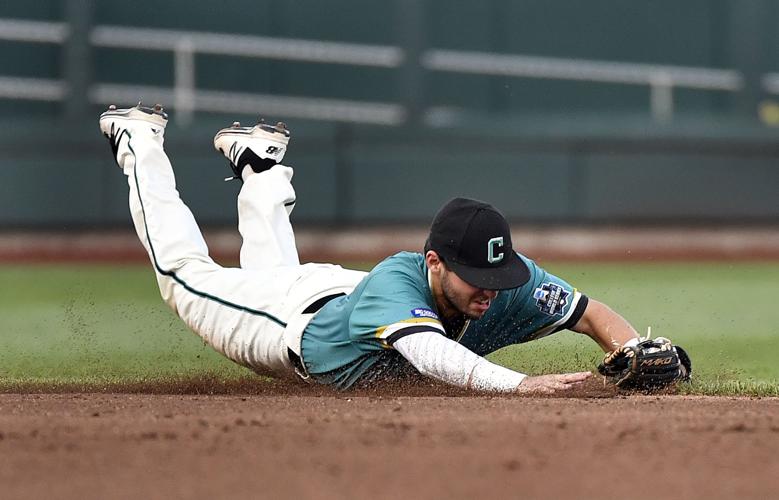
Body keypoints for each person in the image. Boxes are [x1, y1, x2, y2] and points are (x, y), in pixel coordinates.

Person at [98, 103, 667, 394]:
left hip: (341, 295)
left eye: (498, 276)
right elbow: (430, 354)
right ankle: (139, 141)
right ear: (434, 263)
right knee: (182, 274)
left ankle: (258, 164)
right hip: (284, 327)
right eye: (475, 276)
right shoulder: (400, 279)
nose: (491, 290)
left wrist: (633, 350)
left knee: (274, 268)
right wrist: (520, 385)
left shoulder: (500, 284)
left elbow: (588, 313)